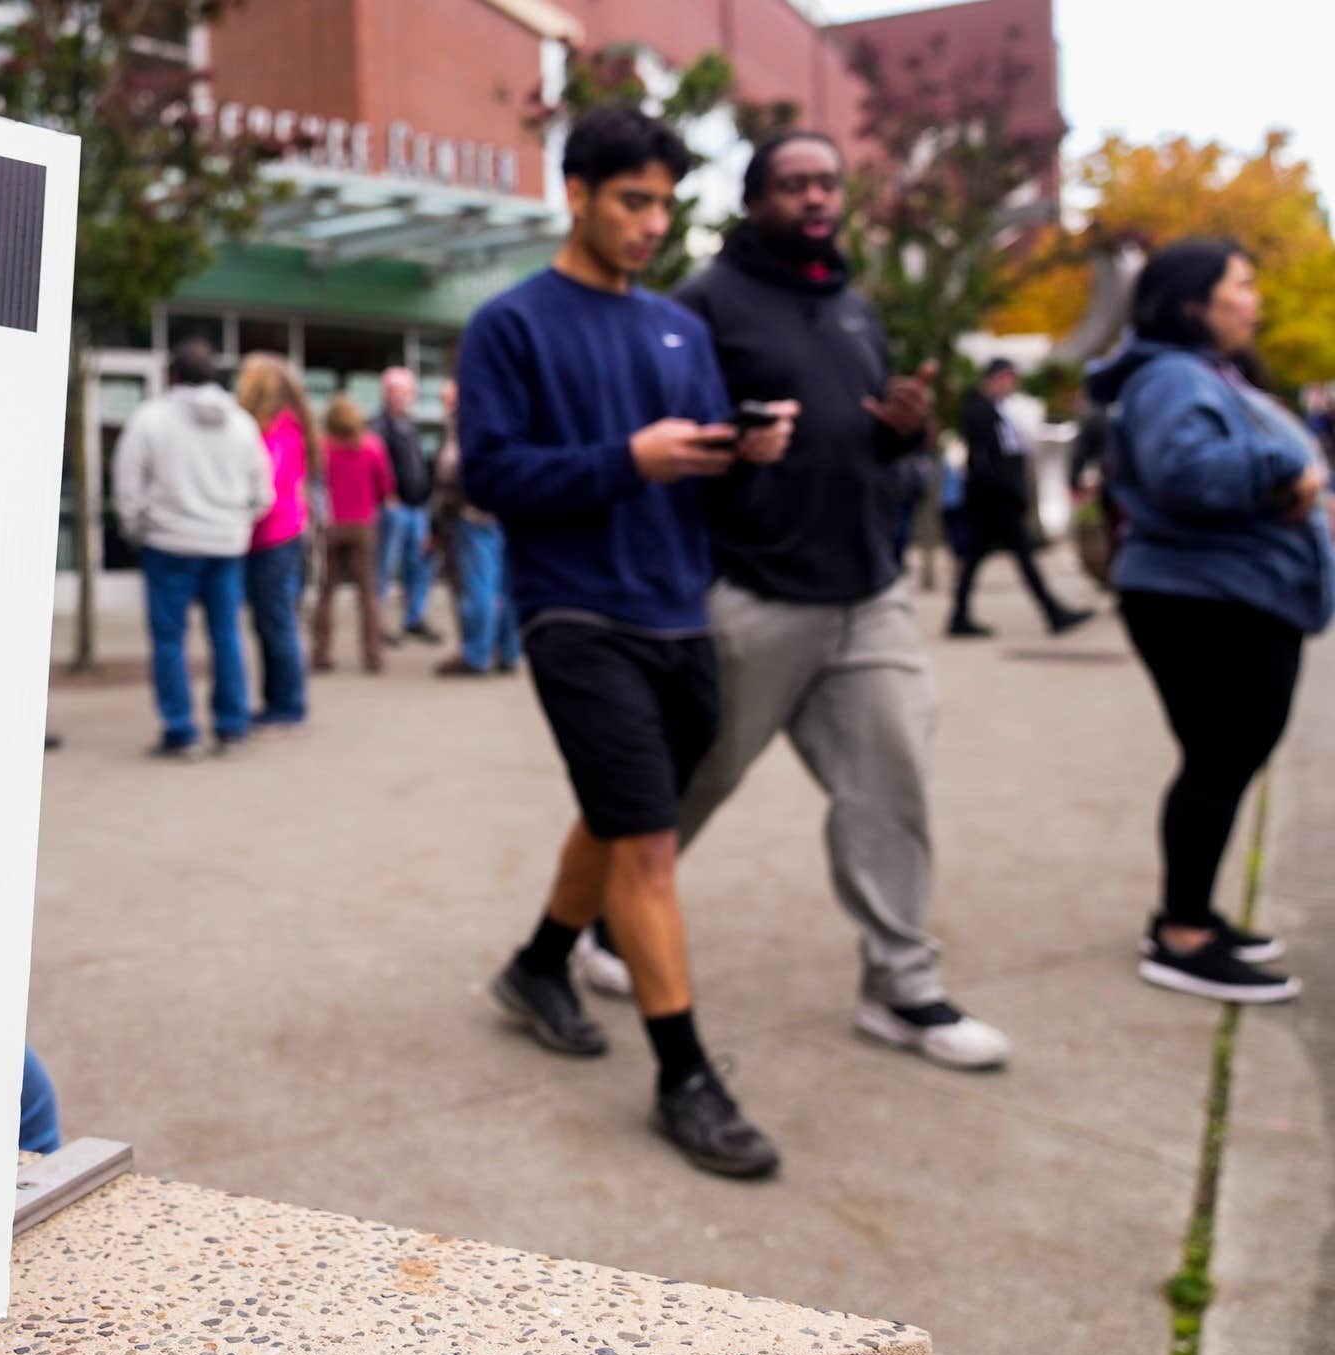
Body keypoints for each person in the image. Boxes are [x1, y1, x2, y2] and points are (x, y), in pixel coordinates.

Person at [565, 132, 1010, 1070]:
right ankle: (607, 925)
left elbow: (863, 446)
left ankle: (902, 988)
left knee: (892, 783)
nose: (816, 198)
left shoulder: (852, 307)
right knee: (689, 785)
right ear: (756, 199)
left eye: (829, 183)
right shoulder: (701, 307)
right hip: (749, 593)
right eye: (795, 184)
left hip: (866, 596)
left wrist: (901, 436)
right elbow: (663, 450)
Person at [459, 105, 796, 1178]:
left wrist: (743, 452)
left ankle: (539, 965)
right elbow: (493, 477)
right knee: (647, 839)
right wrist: (624, 460)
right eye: (631, 201)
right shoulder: (509, 325)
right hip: (574, 610)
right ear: (577, 194)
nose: (651, 223)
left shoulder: (679, 329)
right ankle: (685, 1077)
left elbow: (690, 467)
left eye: (663, 203)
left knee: (621, 812)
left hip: (676, 608)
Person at [1087, 238, 1329, 1002]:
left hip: (1230, 593)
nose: (1253, 302)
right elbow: (1185, 472)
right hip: (1209, 599)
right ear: (1194, 301)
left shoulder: (1204, 374)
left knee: (1221, 759)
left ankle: (1190, 914)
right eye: (1242, 286)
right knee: (1220, 759)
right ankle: (1183, 933)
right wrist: (1286, 469)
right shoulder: (1172, 376)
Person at [111, 337, 272, 758]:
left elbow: (128, 484)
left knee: (169, 640)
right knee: (226, 636)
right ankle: (232, 727)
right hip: (226, 545)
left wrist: (138, 528)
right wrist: (236, 523)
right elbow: (263, 493)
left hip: (167, 545)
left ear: (173, 375)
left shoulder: (150, 419)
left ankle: (181, 732)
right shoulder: (242, 424)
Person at [949, 358, 1094, 637]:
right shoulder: (979, 410)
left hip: (998, 498)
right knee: (1020, 555)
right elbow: (984, 460)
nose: (1010, 385)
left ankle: (959, 616)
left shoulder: (997, 410)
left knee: (978, 559)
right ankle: (1052, 611)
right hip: (994, 500)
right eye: (1007, 378)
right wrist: (1007, 489)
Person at [239, 353, 316, 727]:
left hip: (275, 537)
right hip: (273, 536)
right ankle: (277, 703)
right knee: (271, 623)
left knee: (277, 623)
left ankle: (288, 707)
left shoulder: (280, 430)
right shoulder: (284, 428)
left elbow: (267, 485)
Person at [431, 380, 523, 677]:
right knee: (504, 586)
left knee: (480, 586)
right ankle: (508, 651)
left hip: (477, 513)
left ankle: (477, 654)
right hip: (508, 511)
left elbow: (451, 464)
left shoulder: (470, 420)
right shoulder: (511, 412)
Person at [313, 393, 394, 673]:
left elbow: (313, 483)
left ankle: (320, 652)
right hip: (363, 523)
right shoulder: (372, 447)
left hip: (333, 523)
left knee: (325, 592)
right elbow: (385, 485)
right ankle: (373, 654)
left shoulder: (323, 448)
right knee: (367, 593)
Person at [373, 367, 443, 644]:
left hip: (418, 507)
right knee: (385, 567)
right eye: (398, 391)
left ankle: (415, 617)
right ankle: (378, 622)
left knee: (421, 564)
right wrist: (388, 496)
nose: (404, 397)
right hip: (395, 509)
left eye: (407, 392)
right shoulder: (379, 425)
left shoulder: (409, 425)